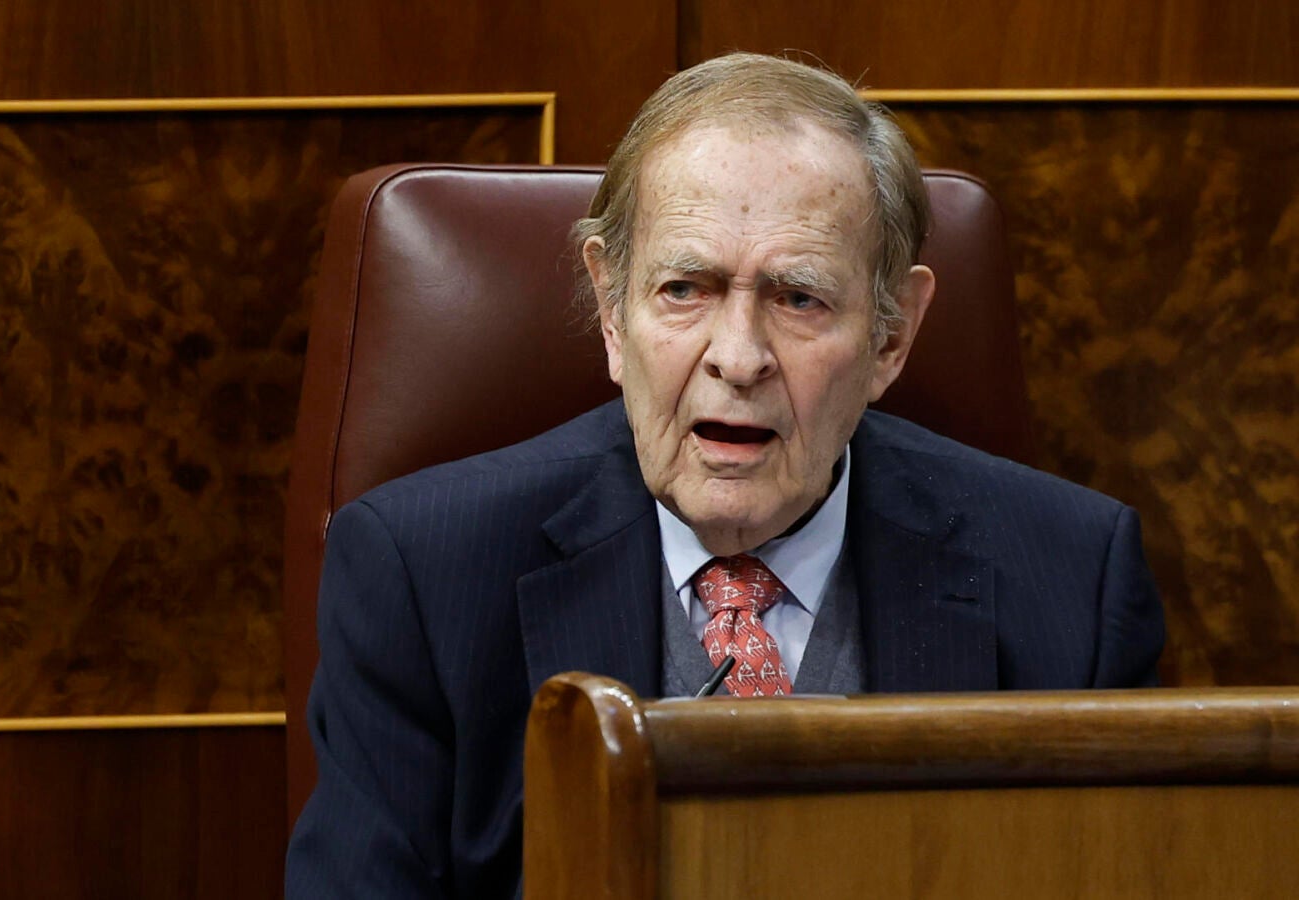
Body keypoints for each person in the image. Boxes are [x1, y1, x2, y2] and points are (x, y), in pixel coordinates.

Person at [285, 52, 1164, 898]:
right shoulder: (422, 576)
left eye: (799, 297)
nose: (738, 359)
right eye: (685, 289)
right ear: (611, 309)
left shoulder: (1073, 583)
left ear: (892, 335)